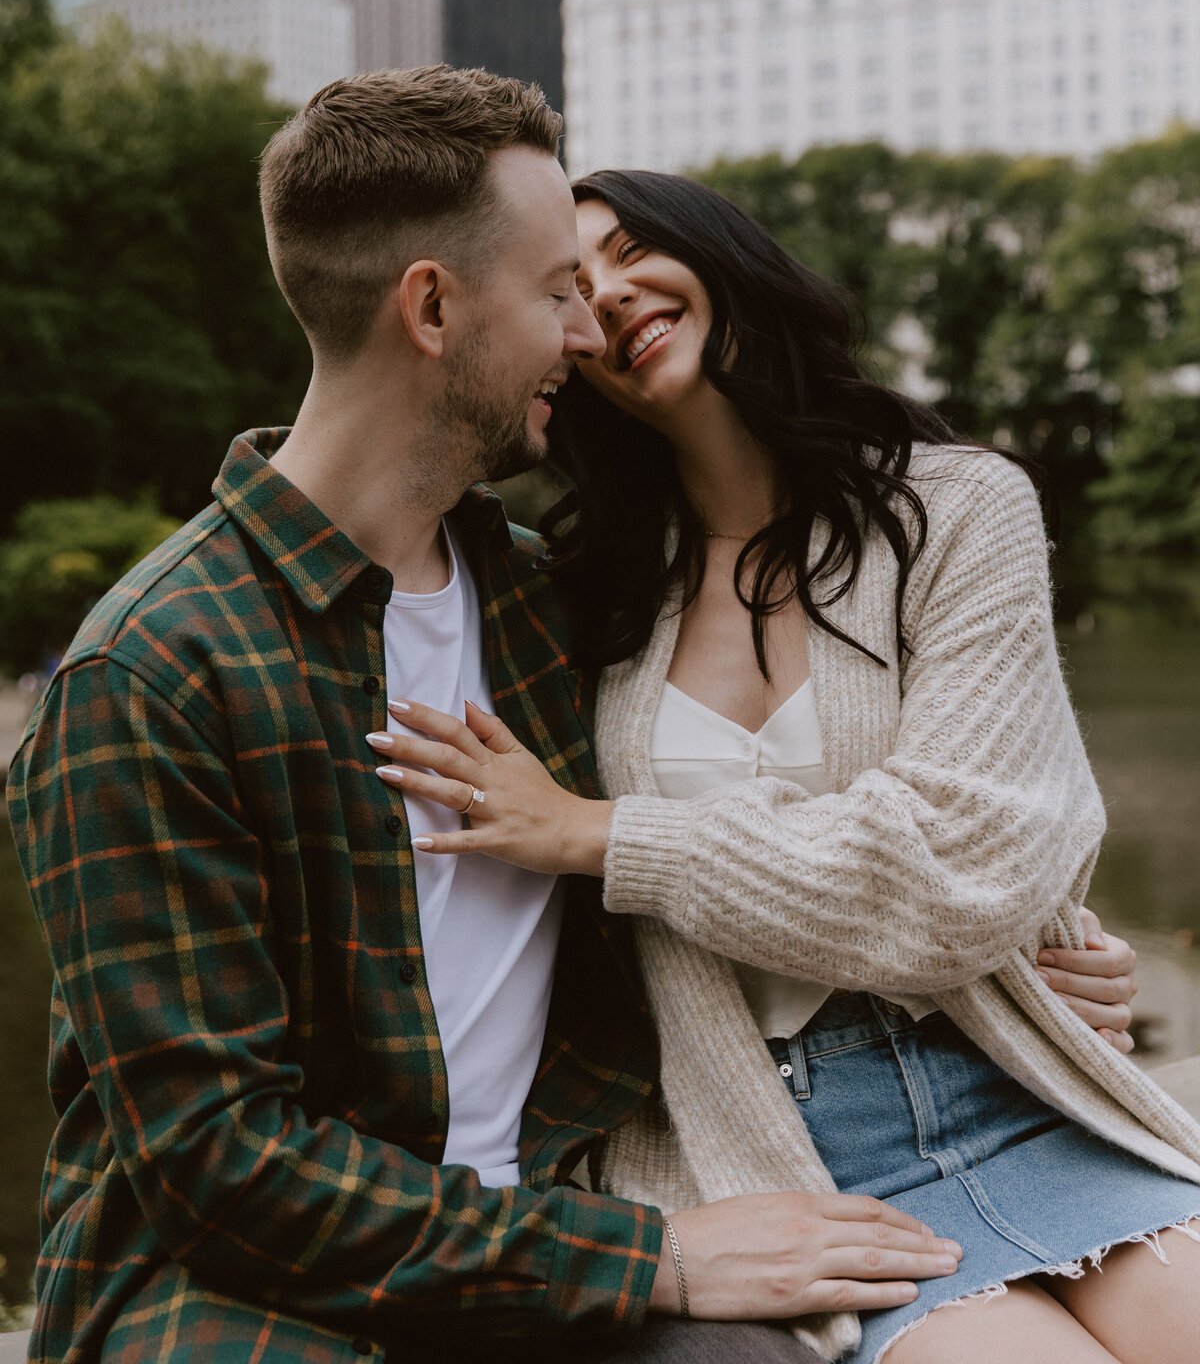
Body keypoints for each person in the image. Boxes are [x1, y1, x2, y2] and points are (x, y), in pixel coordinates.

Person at [9, 69, 1020, 1364]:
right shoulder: (152, 676)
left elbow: (769, 818)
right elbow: (219, 1168)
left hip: (558, 1221)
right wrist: (648, 1257)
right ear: (432, 307)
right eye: (556, 295)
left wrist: (1026, 957)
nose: (590, 338)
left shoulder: (559, 607)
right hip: (241, 1300)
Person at [379, 167, 1200, 1364]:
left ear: (716, 254)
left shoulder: (960, 513)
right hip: (783, 1144)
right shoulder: (580, 596)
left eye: (623, 252)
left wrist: (601, 834)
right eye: (569, 285)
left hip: (1018, 1089)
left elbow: (963, 861)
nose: (604, 297)